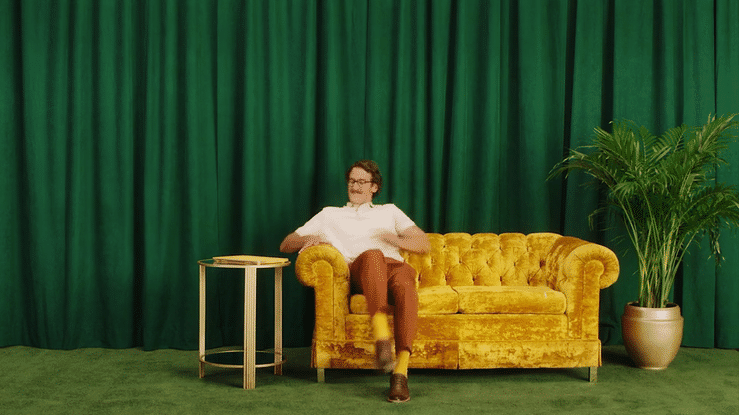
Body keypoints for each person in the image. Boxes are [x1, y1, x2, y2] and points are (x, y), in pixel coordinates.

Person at [280, 160, 430, 403]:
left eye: (361, 182)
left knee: (405, 283)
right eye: (352, 181)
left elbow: (423, 244)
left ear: (374, 187)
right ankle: (381, 338)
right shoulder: (330, 214)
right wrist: (310, 239)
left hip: (394, 267)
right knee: (373, 255)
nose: (355, 186)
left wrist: (395, 239)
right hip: (362, 270)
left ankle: (400, 375)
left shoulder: (389, 211)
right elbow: (286, 244)